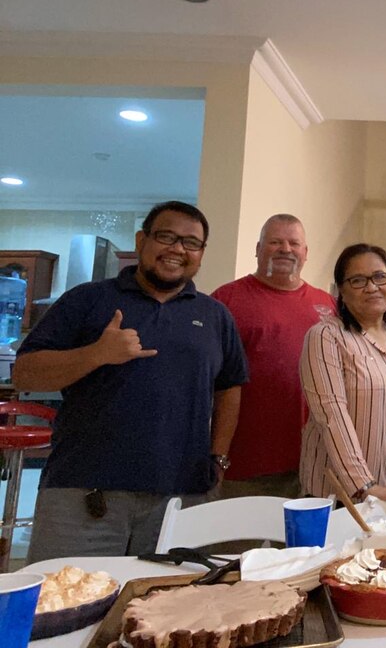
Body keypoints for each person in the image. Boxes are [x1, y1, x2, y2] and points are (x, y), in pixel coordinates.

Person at [13, 201, 247, 560]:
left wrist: (219, 457)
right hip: (84, 494)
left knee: (167, 609)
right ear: (141, 241)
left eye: (190, 242)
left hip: (181, 498)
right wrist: (96, 353)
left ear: (201, 254)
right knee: (64, 607)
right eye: (166, 236)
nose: (177, 249)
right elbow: (25, 373)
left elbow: (230, 386)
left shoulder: (215, 315)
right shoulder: (88, 300)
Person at [211, 214, 336, 499]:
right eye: (275, 242)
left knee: (303, 545)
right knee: (238, 545)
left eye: (294, 243)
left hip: (310, 467)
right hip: (243, 467)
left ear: (306, 253)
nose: (285, 249)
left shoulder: (327, 304)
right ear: (257, 249)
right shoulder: (225, 301)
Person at [298, 243, 386, 506]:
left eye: (380, 277)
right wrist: (364, 486)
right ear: (341, 291)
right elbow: (331, 413)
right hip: (337, 498)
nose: (372, 287)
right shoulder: (326, 336)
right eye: (358, 280)